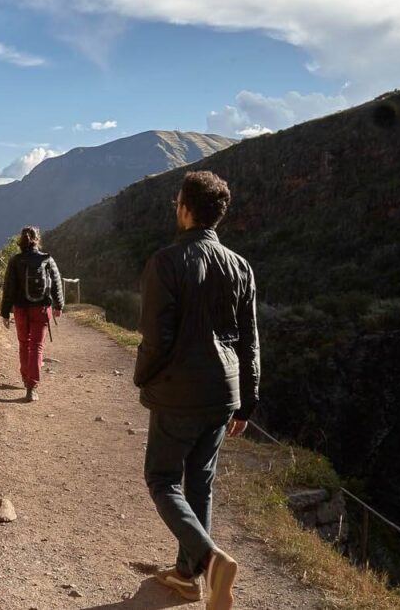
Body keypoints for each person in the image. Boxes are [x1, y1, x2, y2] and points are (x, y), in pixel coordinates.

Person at [133, 171, 260, 610]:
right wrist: (247, 400)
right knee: (200, 483)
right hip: (223, 392)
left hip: (178, 392)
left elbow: (156, 338)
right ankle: (188, 578)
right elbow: (249, 340)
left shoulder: (166, 262)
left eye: (176, 202)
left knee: (163, 479)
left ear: (186, 208)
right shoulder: (241, 266)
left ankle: (209, 562)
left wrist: (143, 377)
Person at [0, 226, 64, 402]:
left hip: (20, 309)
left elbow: (9, 289)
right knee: (37, 346)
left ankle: (25, 377)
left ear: (21, 240)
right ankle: (32, 387)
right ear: (38, 240)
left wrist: (5, 312)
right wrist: (59, 305)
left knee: (24, 344)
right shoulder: (47, 259)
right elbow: (57, 282)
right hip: (41, 309)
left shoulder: (15, 261)